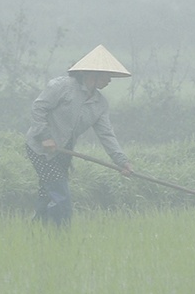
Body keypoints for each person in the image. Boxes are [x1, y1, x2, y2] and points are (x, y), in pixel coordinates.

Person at [24, 45, 137, 226]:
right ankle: (59, 239)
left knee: (48, 194)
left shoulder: (99, 104)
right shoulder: (62, 86)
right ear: (92, 74)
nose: (109, 80)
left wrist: (122, 161)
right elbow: (38, 108)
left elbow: (106, 135)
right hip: (40, 148)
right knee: (61, 197)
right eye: (106, 75)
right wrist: (46, 136)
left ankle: (37, 235)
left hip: (63, 151)